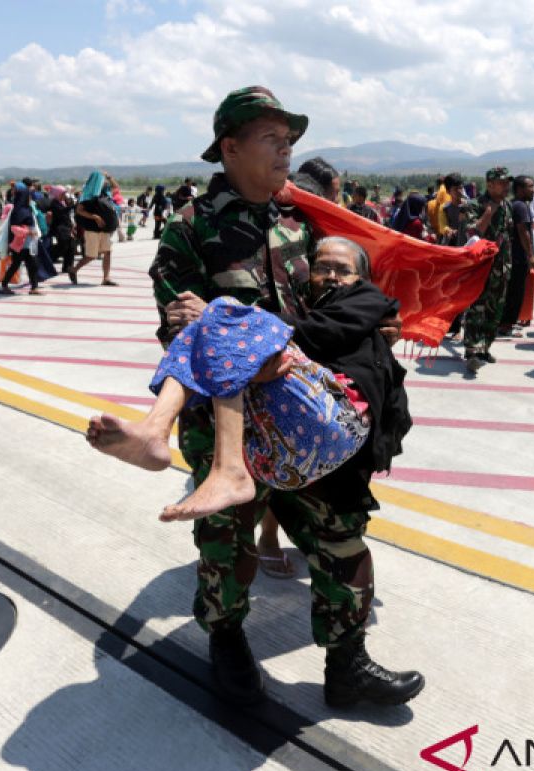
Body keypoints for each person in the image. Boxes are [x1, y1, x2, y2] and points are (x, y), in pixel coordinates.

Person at [146, 86, 421, 709]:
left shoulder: (300, 222)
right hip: (229, 428)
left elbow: (331, 301)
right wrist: (216, 326)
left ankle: (347, 664)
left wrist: (371, 322)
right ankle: (227, 646)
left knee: (341, 534)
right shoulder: (189, 231)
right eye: (273, 139)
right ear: (230, 147)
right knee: (227, 541)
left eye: (290, 140)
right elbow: (179, 327)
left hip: (306, 414)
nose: (286, 150)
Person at [89, 238, 402, 525]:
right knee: (210, 328)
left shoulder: (367, 298)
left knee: (223, 312)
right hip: (279, 461)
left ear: (361, 278)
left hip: (337, 421)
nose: (332, 276)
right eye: (323, 268)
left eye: (343, 270)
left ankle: (225, 468)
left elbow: (322, 332)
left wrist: (224, 314)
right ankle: (154, 430)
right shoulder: (306, 303)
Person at [462, 167, 515, 373]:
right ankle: (471, 351)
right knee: (476, 309)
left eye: (507, 183)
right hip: (481, 268)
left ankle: (485, 347)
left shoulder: (508, 206)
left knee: (495, 310)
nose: (506, 187)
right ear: (490, 184)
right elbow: (474, 231)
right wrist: (489, 211)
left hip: (501, 268)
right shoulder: (474, 205)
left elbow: (507, 235)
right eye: (502, 183)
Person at [498, 176, 534, 338]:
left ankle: (504, 322)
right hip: (518, 256)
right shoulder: (521, 206)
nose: (533, 189)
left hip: (510, 255)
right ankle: (507, 325)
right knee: (516, 291)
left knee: (509, 290)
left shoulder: (513, 204)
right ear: (520, 189)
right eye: (530, 186)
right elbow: (523, 231)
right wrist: (530, 255)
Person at [70, 171, 119, 286]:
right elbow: (79, 210)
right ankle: (73, 269)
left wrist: (109, 176)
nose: (105, 182)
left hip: (105, 229)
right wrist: (95, 217)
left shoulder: (105, 193)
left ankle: (106, 278)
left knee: (107, 252)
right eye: (102, 180)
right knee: (91, 255)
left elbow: (116, 187)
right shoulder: (88, 195)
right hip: (93, 230)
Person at [0, 183, 43, 296]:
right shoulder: (18, 211)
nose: (30, 198)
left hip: (28, 243)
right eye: (28, 196)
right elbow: (14, 228)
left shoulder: (26, 208)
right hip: (21, 244)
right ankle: (4, 285)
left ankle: (34, 287)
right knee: (16, 265)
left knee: (32, 265)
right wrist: (28, 232)